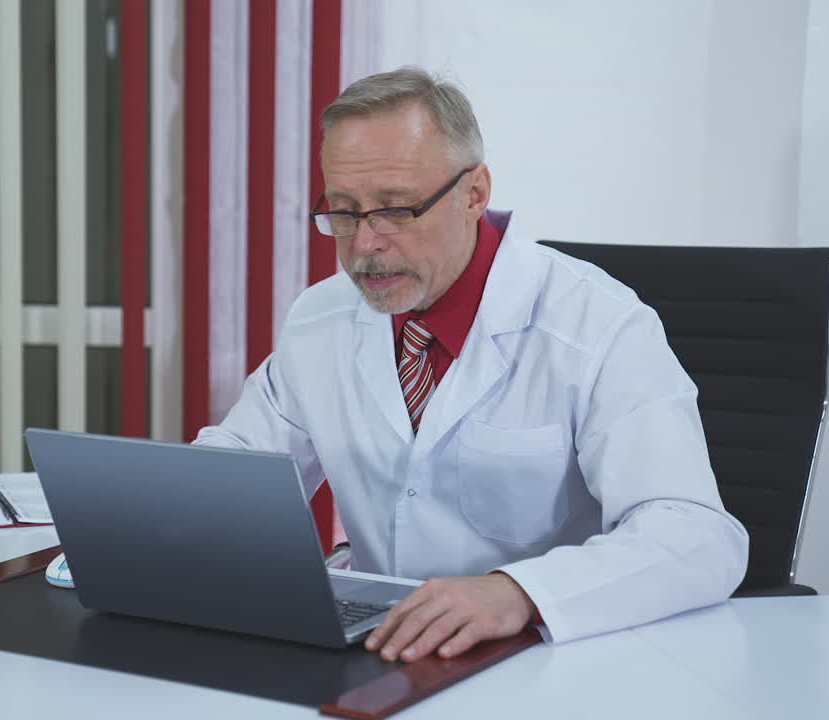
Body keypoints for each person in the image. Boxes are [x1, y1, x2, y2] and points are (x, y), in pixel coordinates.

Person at [194, 66, 748, 663]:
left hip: (545, 654)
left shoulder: (598, 325)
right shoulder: (321, 318)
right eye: (346, 211)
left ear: (474, 193)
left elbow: (697, 536)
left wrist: (518, 592)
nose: (364, 246)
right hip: (378, 646)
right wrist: (112, 528)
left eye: (396, 209)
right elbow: (236, 473)